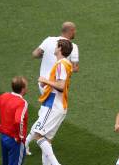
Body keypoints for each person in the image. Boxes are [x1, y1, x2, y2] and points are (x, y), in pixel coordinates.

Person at [26, 21, 79, 154]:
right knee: (45, 119)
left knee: (43, 115)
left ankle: (29, 143)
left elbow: (35, 54)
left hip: (42, 84)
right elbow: (75, 68)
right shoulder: (73, 46)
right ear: (71, 31)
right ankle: (35, 142)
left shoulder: (49, 40)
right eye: (75, 30)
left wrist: (48, 56)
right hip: (53, 87)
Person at [30, 39, 74, 165]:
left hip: (53, 105)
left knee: (37, 134)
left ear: (60, 48)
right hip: (57, 105)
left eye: (56, 46)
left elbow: (60, 86)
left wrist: (45, 80)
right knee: (46, 140)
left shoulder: (62, 64)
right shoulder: (64, 64)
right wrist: (47, 81)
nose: (54, 48)